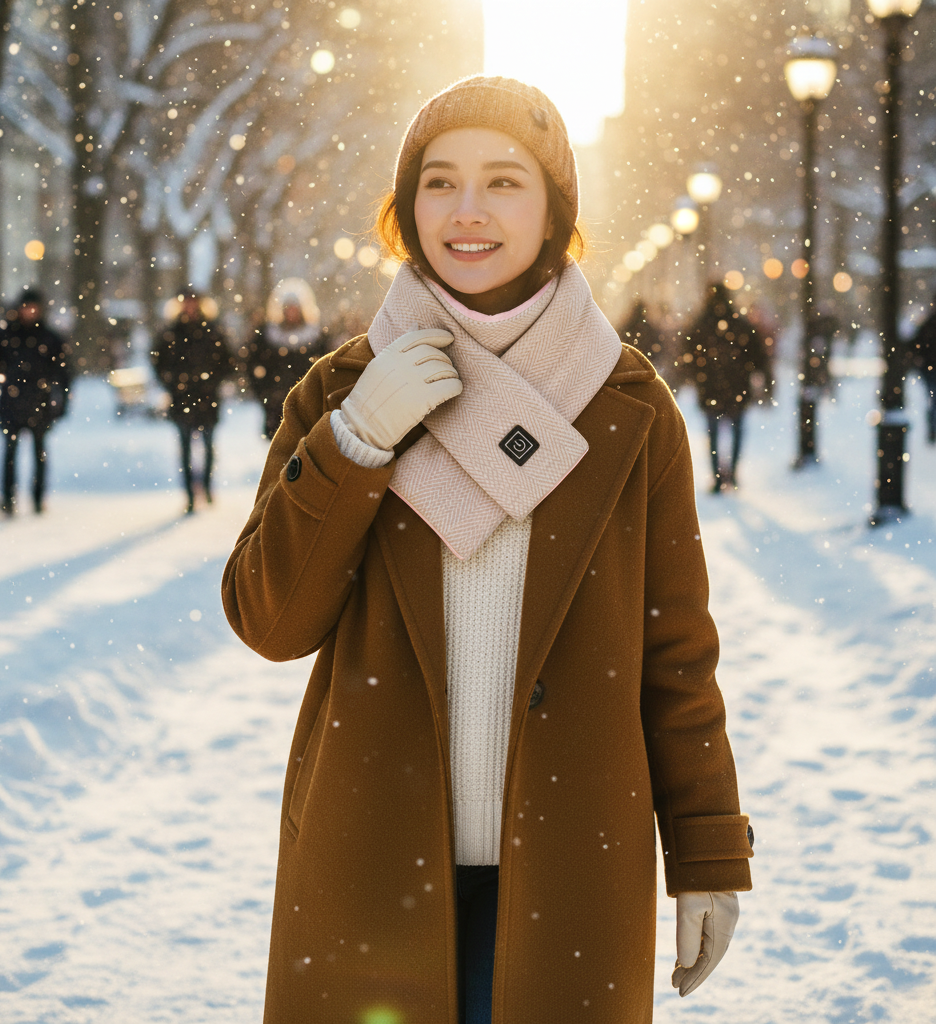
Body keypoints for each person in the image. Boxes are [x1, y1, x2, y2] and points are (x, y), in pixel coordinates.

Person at [222, 77, 753, 1024]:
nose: (466, 212)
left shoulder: (630, 408)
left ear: (554, 210)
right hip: (371, 860)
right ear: (407, 206)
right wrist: (356, 444)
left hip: (573, 863)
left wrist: (708, 854)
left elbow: (676, 655)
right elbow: (270, 619)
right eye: (439, 182)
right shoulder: (341, 390)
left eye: (504, 182)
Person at [0, 287, 73, 515]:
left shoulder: (49, 338)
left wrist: (62, 400)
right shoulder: (6, 336)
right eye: (26, 307)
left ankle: (38, 498)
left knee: (39, 452)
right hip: (12, 403)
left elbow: (64, 372)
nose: (30, 312)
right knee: (10, 452)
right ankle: (8, 498)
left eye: (34, 308)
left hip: (39, 403)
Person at [681, 281, 772, 492]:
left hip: (710, 386)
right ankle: (733, 472)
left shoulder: (700, 324)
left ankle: (717, 477)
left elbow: (688, 356)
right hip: (736, 386)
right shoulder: (739, 323)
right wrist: (756, 375)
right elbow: (757, 356)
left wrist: (697, 374)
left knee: (712, 431)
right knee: (737, 428)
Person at [151, 291, 231, 513]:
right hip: (182, 397)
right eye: (186, 303)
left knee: (207, 445)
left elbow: (227, 361)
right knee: (185, 446)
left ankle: (205, 486)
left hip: (207, 397)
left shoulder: (213, 331)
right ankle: (189, 494)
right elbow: (158, 362)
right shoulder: (171, 333)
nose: (190, 307)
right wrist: (173, 383)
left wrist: (212, 381)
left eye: (193, 303)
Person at [245, 287, 325, 438]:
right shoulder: (267, 336)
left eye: (295, 308)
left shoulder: (316, 337)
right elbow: (252, 365)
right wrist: (264, 393)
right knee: (278, 448)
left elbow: (326, 366)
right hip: (276, 403)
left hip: (307, 403)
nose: (291, 312)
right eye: (288, 308)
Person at [909, 297, 936, 444]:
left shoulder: (927, 323)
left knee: (933, 399)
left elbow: (915, 345)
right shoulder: (927, 324)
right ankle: (932, 428)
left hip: (929, 369)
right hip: (930, 369)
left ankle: (932, 428)